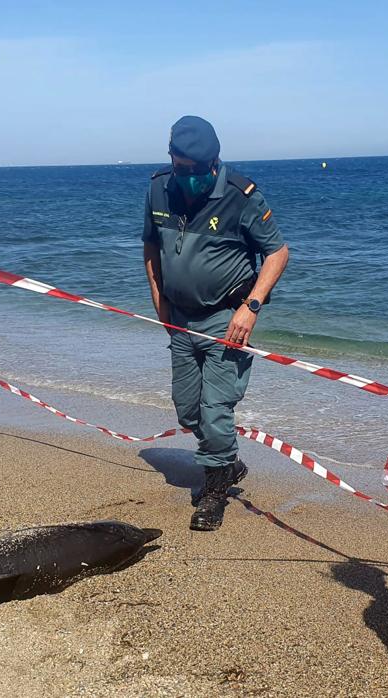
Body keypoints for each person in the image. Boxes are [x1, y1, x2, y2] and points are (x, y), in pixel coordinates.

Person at [142, 115, 290, 531]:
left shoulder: (242, 196)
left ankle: (214, 490)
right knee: (188, 411)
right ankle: (227, 463)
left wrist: (251, 307)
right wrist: (159, 301)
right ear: (171, 158)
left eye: (197, 169)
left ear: (214, 162)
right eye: (180, 167)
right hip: (180, 318)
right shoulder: (158, 187)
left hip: (227, 319)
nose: (188, 176)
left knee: (215, 410)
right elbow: (151, 247)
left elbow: (277, 253)